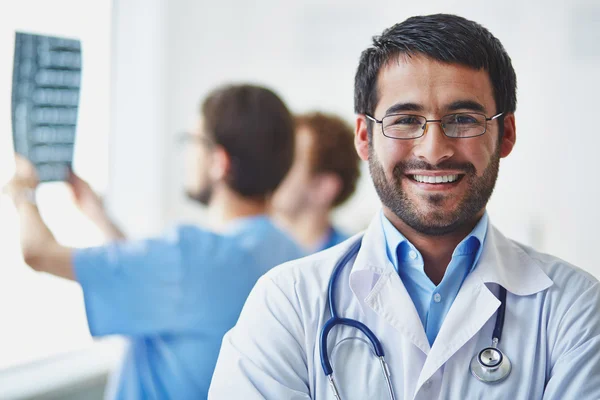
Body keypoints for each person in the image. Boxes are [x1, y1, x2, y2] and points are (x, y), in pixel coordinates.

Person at [208, 15, 600, 399]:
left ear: (507, 134)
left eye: (463, 119)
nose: (434, 151)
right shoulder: (287, 302)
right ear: (365, 137)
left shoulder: (574, 308)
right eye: (406, 120)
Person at [5, 84, 305, 399]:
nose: (188, 155)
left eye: (193, 142)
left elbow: (38, 253)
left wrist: (23, 192)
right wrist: (98, 216)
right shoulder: (290, 254)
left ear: (219, 162)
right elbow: (158, 284)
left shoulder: (190, 258)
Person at [271, 112, 360, 252]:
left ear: (324, 187)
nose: (273, 167)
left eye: (288, 160)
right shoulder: (247, 253)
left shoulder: (355, 263)